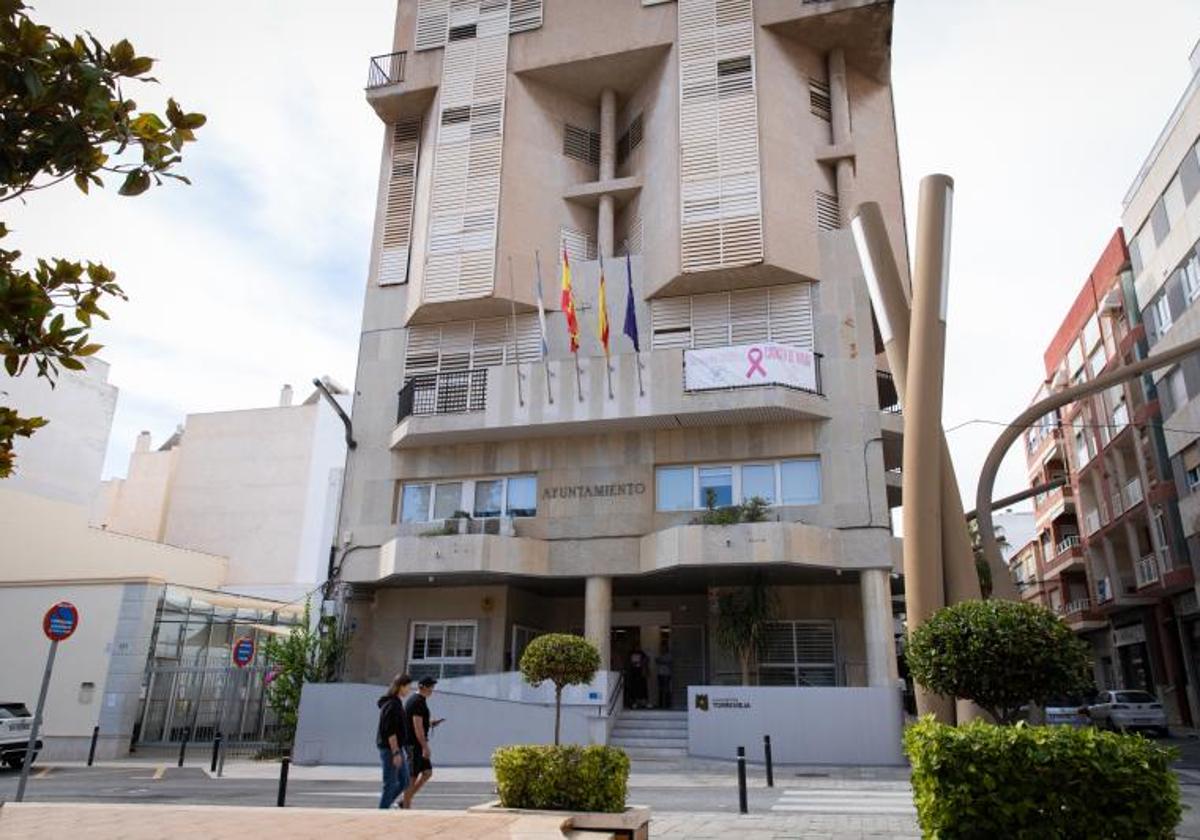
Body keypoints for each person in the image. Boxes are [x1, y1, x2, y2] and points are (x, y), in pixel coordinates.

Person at [402, 676, 442, 809]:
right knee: (412, 777)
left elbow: (420, 723)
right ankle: (405, 807)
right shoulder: (417, 702)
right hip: (414, 744)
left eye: (432, 687)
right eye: (430, 687)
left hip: (417, 743)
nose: (432, 690)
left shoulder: (419, 701)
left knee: (427, 772)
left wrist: (430, 723)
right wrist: (425, 747)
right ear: (422, 687)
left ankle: (405, 800)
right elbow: (417, 727)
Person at [375, 673, 412, 810]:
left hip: (396, 748)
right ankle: (382, 811)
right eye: (408, 687)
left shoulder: (396, 703)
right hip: (390, 749)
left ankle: (385, 805)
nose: (409, 690)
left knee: (405, 780)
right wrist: (396, 752)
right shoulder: (392, 705)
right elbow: (390, 731)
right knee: (390, 783)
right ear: (401, 687)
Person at [655, 641, 673, 709]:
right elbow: (657, 660)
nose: (662, 649)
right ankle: (661, 704)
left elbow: (667, 662)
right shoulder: (660, 655)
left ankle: (666, 704)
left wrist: (661, 661)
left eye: (664, 648)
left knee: (666, 689)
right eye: (662, 648)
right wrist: (661, 661)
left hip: (666, 674)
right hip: (660, 674)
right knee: (661, 689)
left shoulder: (669, 655)